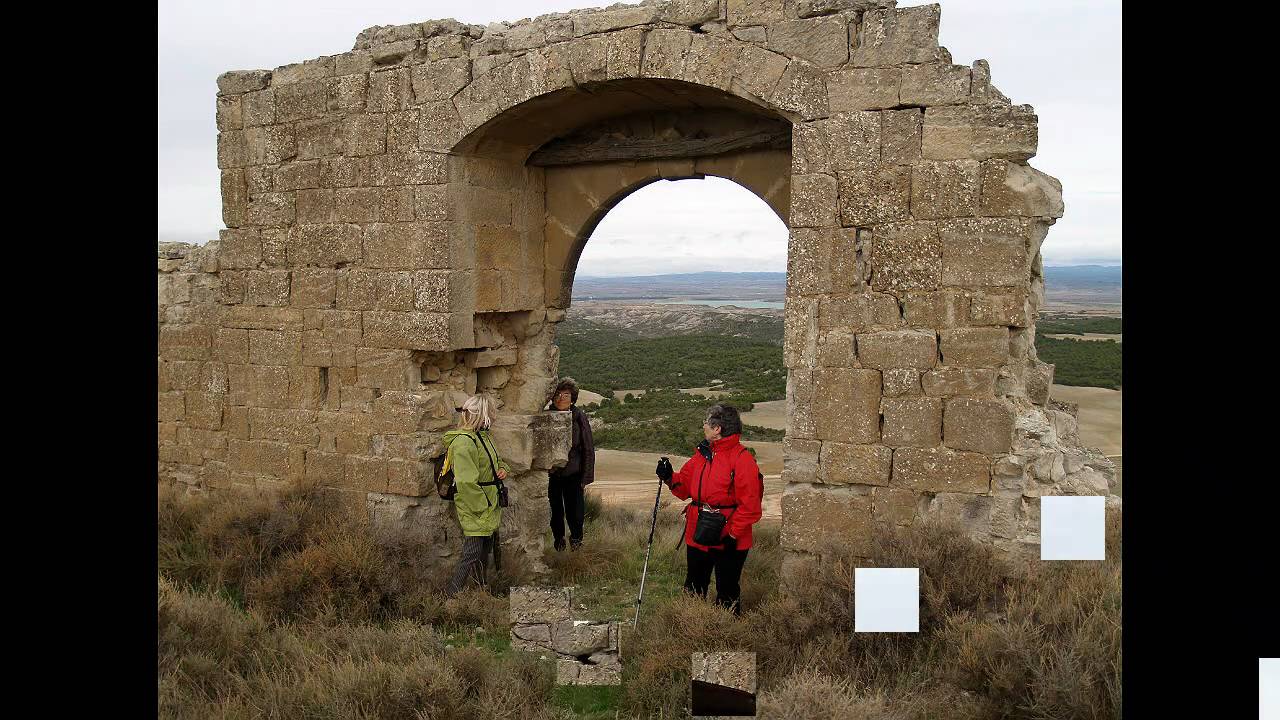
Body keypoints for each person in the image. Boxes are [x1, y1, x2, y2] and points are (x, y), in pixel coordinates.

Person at [656, 404, 763, 615]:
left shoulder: (742, 459)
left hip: (729, 536)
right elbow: (685, 486)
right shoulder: (702, 455)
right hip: (698, 531)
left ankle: (727, 635)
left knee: (727, 591)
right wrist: (668, 476)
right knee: (694, 585)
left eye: (706, 422)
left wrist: (733, 535)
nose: (703, 425)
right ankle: (692, 628)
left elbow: (750, 505)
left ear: (717, 429)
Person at [444, 394, 510, 597]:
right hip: (477, 505)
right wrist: (483, 506)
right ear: (480, 415)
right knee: (471, 552)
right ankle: (451, 596)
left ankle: (481, 591)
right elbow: (465, 482)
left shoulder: (483, 437)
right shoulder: (464, 443)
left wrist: (502, 468)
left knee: (484, 551)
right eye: (490, 412)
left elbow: (495, 461)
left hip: (488, 502)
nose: (493, 416)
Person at [545, 378, 596, 551]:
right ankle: (559, 542)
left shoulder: (578, 416)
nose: (560, 398)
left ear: (573, 398)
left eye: (565, 394)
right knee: (555, 511)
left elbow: (588, 447)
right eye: (557, 394)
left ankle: (576, 542)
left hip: (574, 474)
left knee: (575, 512)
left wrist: (586, 477)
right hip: (552, 475)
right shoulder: (547, 416)